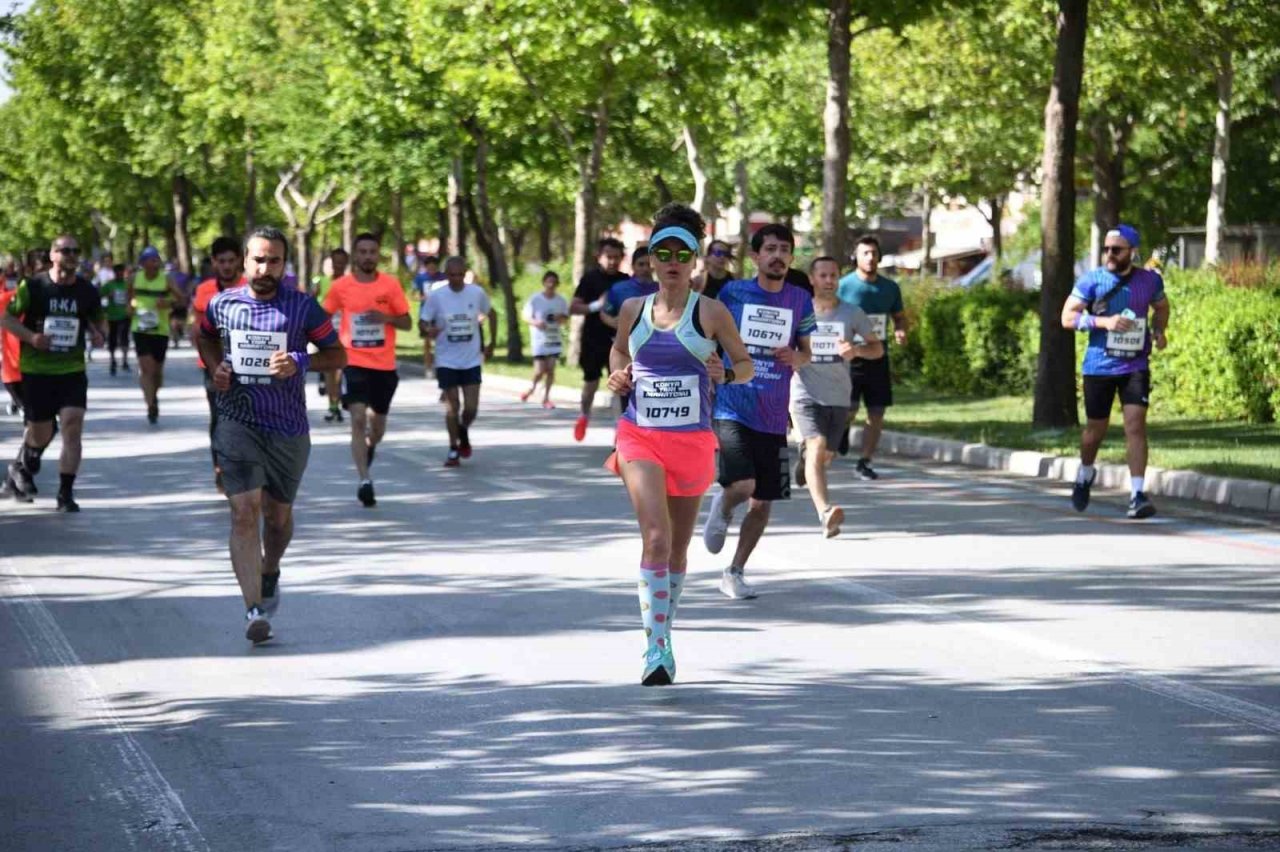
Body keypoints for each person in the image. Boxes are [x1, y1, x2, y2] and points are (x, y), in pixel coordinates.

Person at [605, 203, 753, 685]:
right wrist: (619, 374)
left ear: (694, 260)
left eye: (681, 253)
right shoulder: (634, 309)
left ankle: (664, 630)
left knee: (678, 550)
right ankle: (656, 647)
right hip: (639, 435)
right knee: (656, 537)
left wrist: (724, 372)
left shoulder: (710, 312)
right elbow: (620, 350)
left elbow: (745, 365)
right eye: (662, 253)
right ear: (650, 259)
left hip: (691, 441)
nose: (671, 261)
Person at [196, 226, 346, 644]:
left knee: (277, 521)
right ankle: (253, 609)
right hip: (237, 423)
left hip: (287, 428)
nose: (265, 268)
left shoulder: (303, 307)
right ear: (245, 262)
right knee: (244, 512)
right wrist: (216, 367)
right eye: (258, 260)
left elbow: (338, 355)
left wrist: (299, 361)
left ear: (284, 264)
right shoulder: (222, 304)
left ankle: (270, 568)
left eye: (274, 261)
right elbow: (204, 336)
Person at [701, 223, 815, 599]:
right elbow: (708, 335)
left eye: (784, 250)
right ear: (755, 256)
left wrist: (797, 357)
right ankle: (723, 505)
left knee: (763, 502)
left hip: (773, 412)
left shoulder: (800, 299)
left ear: (791, 257)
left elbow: (807, 351)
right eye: (770, 249)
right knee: (743, 485)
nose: (777, 256)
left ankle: (734, 572)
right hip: (732, 404)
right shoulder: (733, 293)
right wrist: (711, 365)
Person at [1060, 224, 1169, 520]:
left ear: (1132, 252)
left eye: (1116, 250)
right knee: (1094, 431)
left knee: (1135, 425)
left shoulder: (1149, 280)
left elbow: (1161, 307)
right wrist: (1103, 322)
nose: (1110, 254)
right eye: (1107, 249)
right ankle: (1085, 472)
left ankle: (1137, 495)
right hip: (1099, 366)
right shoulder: (1092, 280)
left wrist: (1159, 331)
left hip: (1135, 365)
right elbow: (1067, 317)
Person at [2, 235, 105, 511]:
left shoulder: (86, 290)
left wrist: (99, 334)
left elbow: (97, 319)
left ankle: (65, 493)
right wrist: (32, 338)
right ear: (52, 255)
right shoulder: (33, 286)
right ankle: (23, 461)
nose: (70, 255)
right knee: (41, 431)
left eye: (75, 251)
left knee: (73, 424)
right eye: (64, 250)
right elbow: (6, 318)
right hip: (37, 370)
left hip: (72, 369)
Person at [790, 256, 882, 537]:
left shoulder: (852, 313)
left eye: (833, 275)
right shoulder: (799, 312)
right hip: (804, 393)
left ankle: (806, 460)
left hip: (839, 396)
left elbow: (877, 348)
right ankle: (825, 512)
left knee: (825, 457)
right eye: (823, 275)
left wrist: (856, 351)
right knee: (817, 446)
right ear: (812, 279)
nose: (829, 281)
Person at [323, 232, 411, 506]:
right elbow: (323, 317)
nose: (368, 257)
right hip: (353, 362)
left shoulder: (390, 285)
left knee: (378, 427)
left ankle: (371, 446)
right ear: (355, 255)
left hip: (384, 366)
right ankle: (364, 480)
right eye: (362, 252)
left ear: (378, 254)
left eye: (372, 252)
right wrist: (326, 345)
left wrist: (386, 317)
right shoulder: (341, 286)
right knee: (358, 418)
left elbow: (407, 322)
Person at [836, 235, 908, 478]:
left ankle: (865, 460)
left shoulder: (890, 288)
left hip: (877, 356)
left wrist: (900, 330)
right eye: (865, 253)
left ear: (880, 257)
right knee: (850, 409)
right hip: (849, 356)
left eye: (874, 253)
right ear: (855, 256)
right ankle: (843, 428)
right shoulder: (844, 286)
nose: (870, 257)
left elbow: (899, 317)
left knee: (877, 412)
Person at [419, 257, 496, 467]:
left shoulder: (476, 293)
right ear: (446, 275)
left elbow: (492, 314)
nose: (456, 279)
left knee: (471, 408)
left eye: (460, 275)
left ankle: (462, 429)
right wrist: (428, 329)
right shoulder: (437, 296)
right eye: (452, 275)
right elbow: (423, 322)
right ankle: (453, 448)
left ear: (465, 274)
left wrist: (491, 343)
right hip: (446, 359)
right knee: (453, 406)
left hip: (471, 359)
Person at [190, 237, 246, 492]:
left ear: (240, 261)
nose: (226, 266)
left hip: (246, 363)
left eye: (231, 260)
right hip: (213, 364)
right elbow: (198, 329)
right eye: (221, 261)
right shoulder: (204, 290)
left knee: (246, 416)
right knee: (220, 417)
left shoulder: (250, 287)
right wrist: (209, 359)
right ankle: (220, 467)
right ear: (214, 262)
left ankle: (245, 465)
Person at [569, 237, 628, 441]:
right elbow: (573, 307)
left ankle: (619, 429)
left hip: (618, 341)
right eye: (608, 257)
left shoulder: (626, 281)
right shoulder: (590, 278)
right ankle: (584, 415)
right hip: (593, 339)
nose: (612, 261)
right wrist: (596, 305)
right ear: (599, 257)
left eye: (616, 257)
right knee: (591, 384)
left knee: (619, 385)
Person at [129, 246, 184, 423]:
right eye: (152, 260)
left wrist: (167, 303)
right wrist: (130, 308)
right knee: (147, 368)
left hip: (160, 329)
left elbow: (181, 299)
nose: (155, 264)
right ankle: (150, 405)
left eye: (157, 260)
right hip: (140, 329)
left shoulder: (166, 279)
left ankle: (154, 395)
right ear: (143, 263)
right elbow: (129, 298)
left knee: (157, 372)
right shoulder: (134, 279)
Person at [521, 270, 569, 408]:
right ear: (544, 283)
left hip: (554, 339)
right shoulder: (535, 299)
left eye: (554, 282)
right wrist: (536, 323)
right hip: (539, 340)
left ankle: (546, 398)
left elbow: (565, 318)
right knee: (539, 370)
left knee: (551, 369)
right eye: (549, 281)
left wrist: (560, 317)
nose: (551, 284)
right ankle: (531, 388)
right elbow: (525, 316)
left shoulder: (561, 300)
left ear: (557, 284)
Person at [312, 247, 350, 423]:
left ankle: (339, 399)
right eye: (335, 262)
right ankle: (333, 406)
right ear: (330, 263)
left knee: (340, 370)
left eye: (342, 263)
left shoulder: (351, 283)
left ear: (346, 263)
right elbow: (312, 301)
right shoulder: (322, 281)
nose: (338, 266)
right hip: (327, 330)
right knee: (330, 371)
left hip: (347, 331)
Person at [600, 245, 658, 332]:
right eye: (641, 264)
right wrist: (614, 323)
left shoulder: (662, 290)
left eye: (649, 264)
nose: (645, 269)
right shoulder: (619, 289)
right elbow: (605, 313)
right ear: (633, 266)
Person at [412, 255, 446, 377]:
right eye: (430, 268)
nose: (432, 270)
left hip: (441, 313)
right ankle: (428, 367)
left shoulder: (443, 278)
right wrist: (423, 298)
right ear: (426, 267)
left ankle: (441, 366)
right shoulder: (420, 278)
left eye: (434, 267)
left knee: (441, 341)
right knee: (427, 342)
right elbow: (414, 295)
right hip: (426, 313)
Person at [100, 263, 131, 375]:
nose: (119, 274)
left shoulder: (128, 285)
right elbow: (98, 295)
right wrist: (108, 296)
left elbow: (134, 297)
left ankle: (125, 360)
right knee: (112, 338)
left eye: (121, 272)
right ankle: (113, 360)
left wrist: (129, 301)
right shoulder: (109, 285)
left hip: (125, 315)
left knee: (124, 337)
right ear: (114, 273)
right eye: (117, 272)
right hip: (112, 315)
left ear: (124, 273)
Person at [0, 271, 22, 417]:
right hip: (6, 340)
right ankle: (18, 402)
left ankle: (18, 402)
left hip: (18, 338)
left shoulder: (20, 293)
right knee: (9, 374)